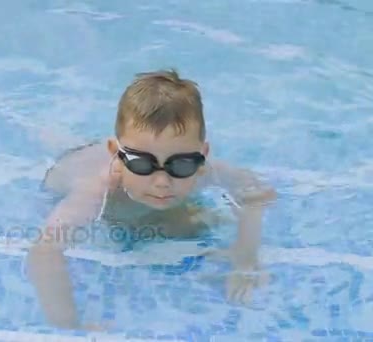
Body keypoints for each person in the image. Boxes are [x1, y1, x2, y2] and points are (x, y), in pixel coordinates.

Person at [25, 69, 277, 330]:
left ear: (202, 155)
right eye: (141, 163)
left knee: (193, 228)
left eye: (181, 165)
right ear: (117, 155)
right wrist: (70, 326)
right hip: (89, 183)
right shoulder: (95, 189)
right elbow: (45, 250)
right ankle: (47, 134)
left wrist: (245, 256)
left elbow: (256, 191)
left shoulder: (204, 168)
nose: (162, 181)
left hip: (139, 201)